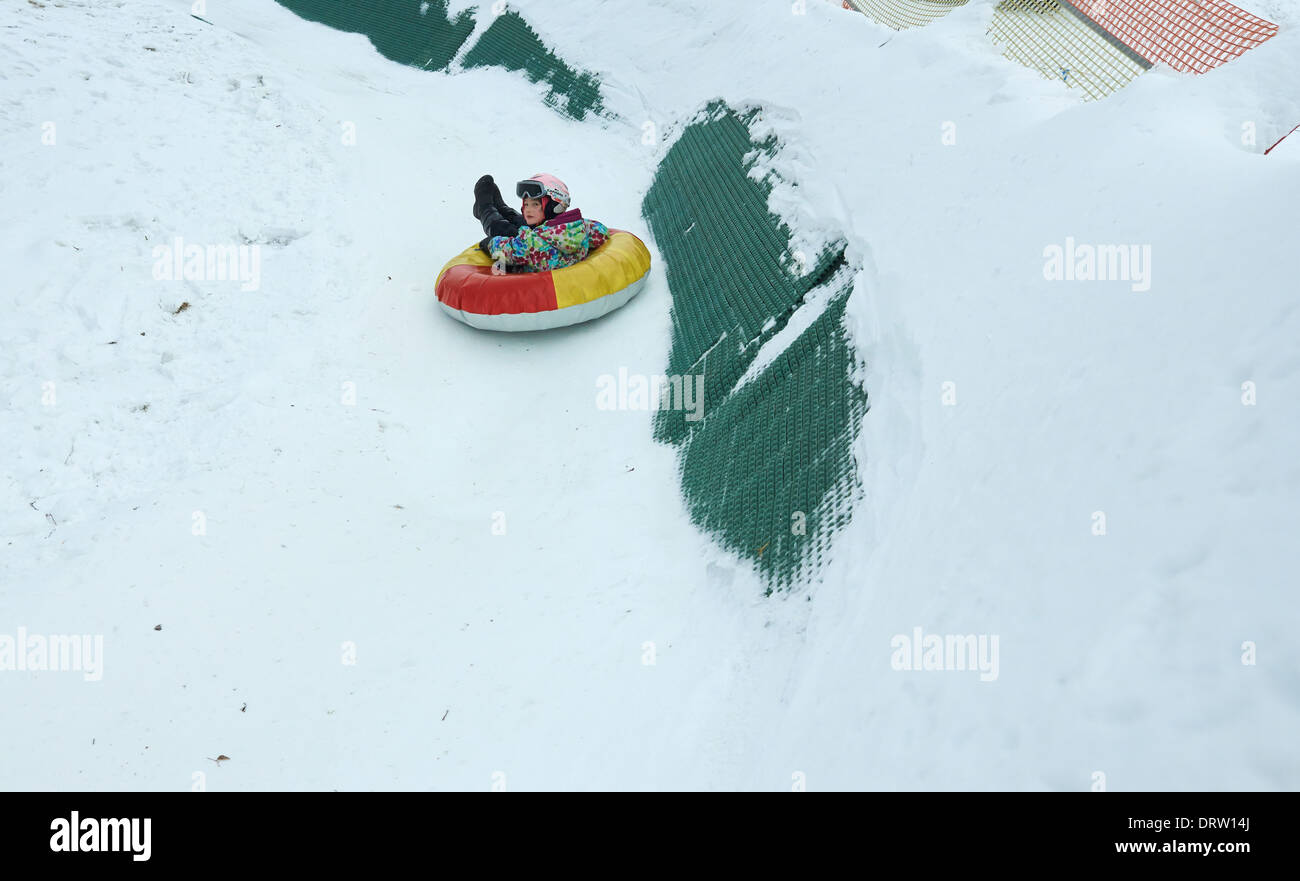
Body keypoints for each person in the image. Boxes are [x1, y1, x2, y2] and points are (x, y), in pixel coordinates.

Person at [471, 174, 610, 273]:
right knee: (526, 223)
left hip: (530, 260)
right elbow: (601, 231)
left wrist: (490, 243)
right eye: (526, 204)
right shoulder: (579, 228)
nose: (528, 209)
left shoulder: (532, 245)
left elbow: (508, 250)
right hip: (543, 242)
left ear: (554, 206)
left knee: (502, 228)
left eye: (535, 204)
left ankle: (484, 209)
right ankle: (503, 209)